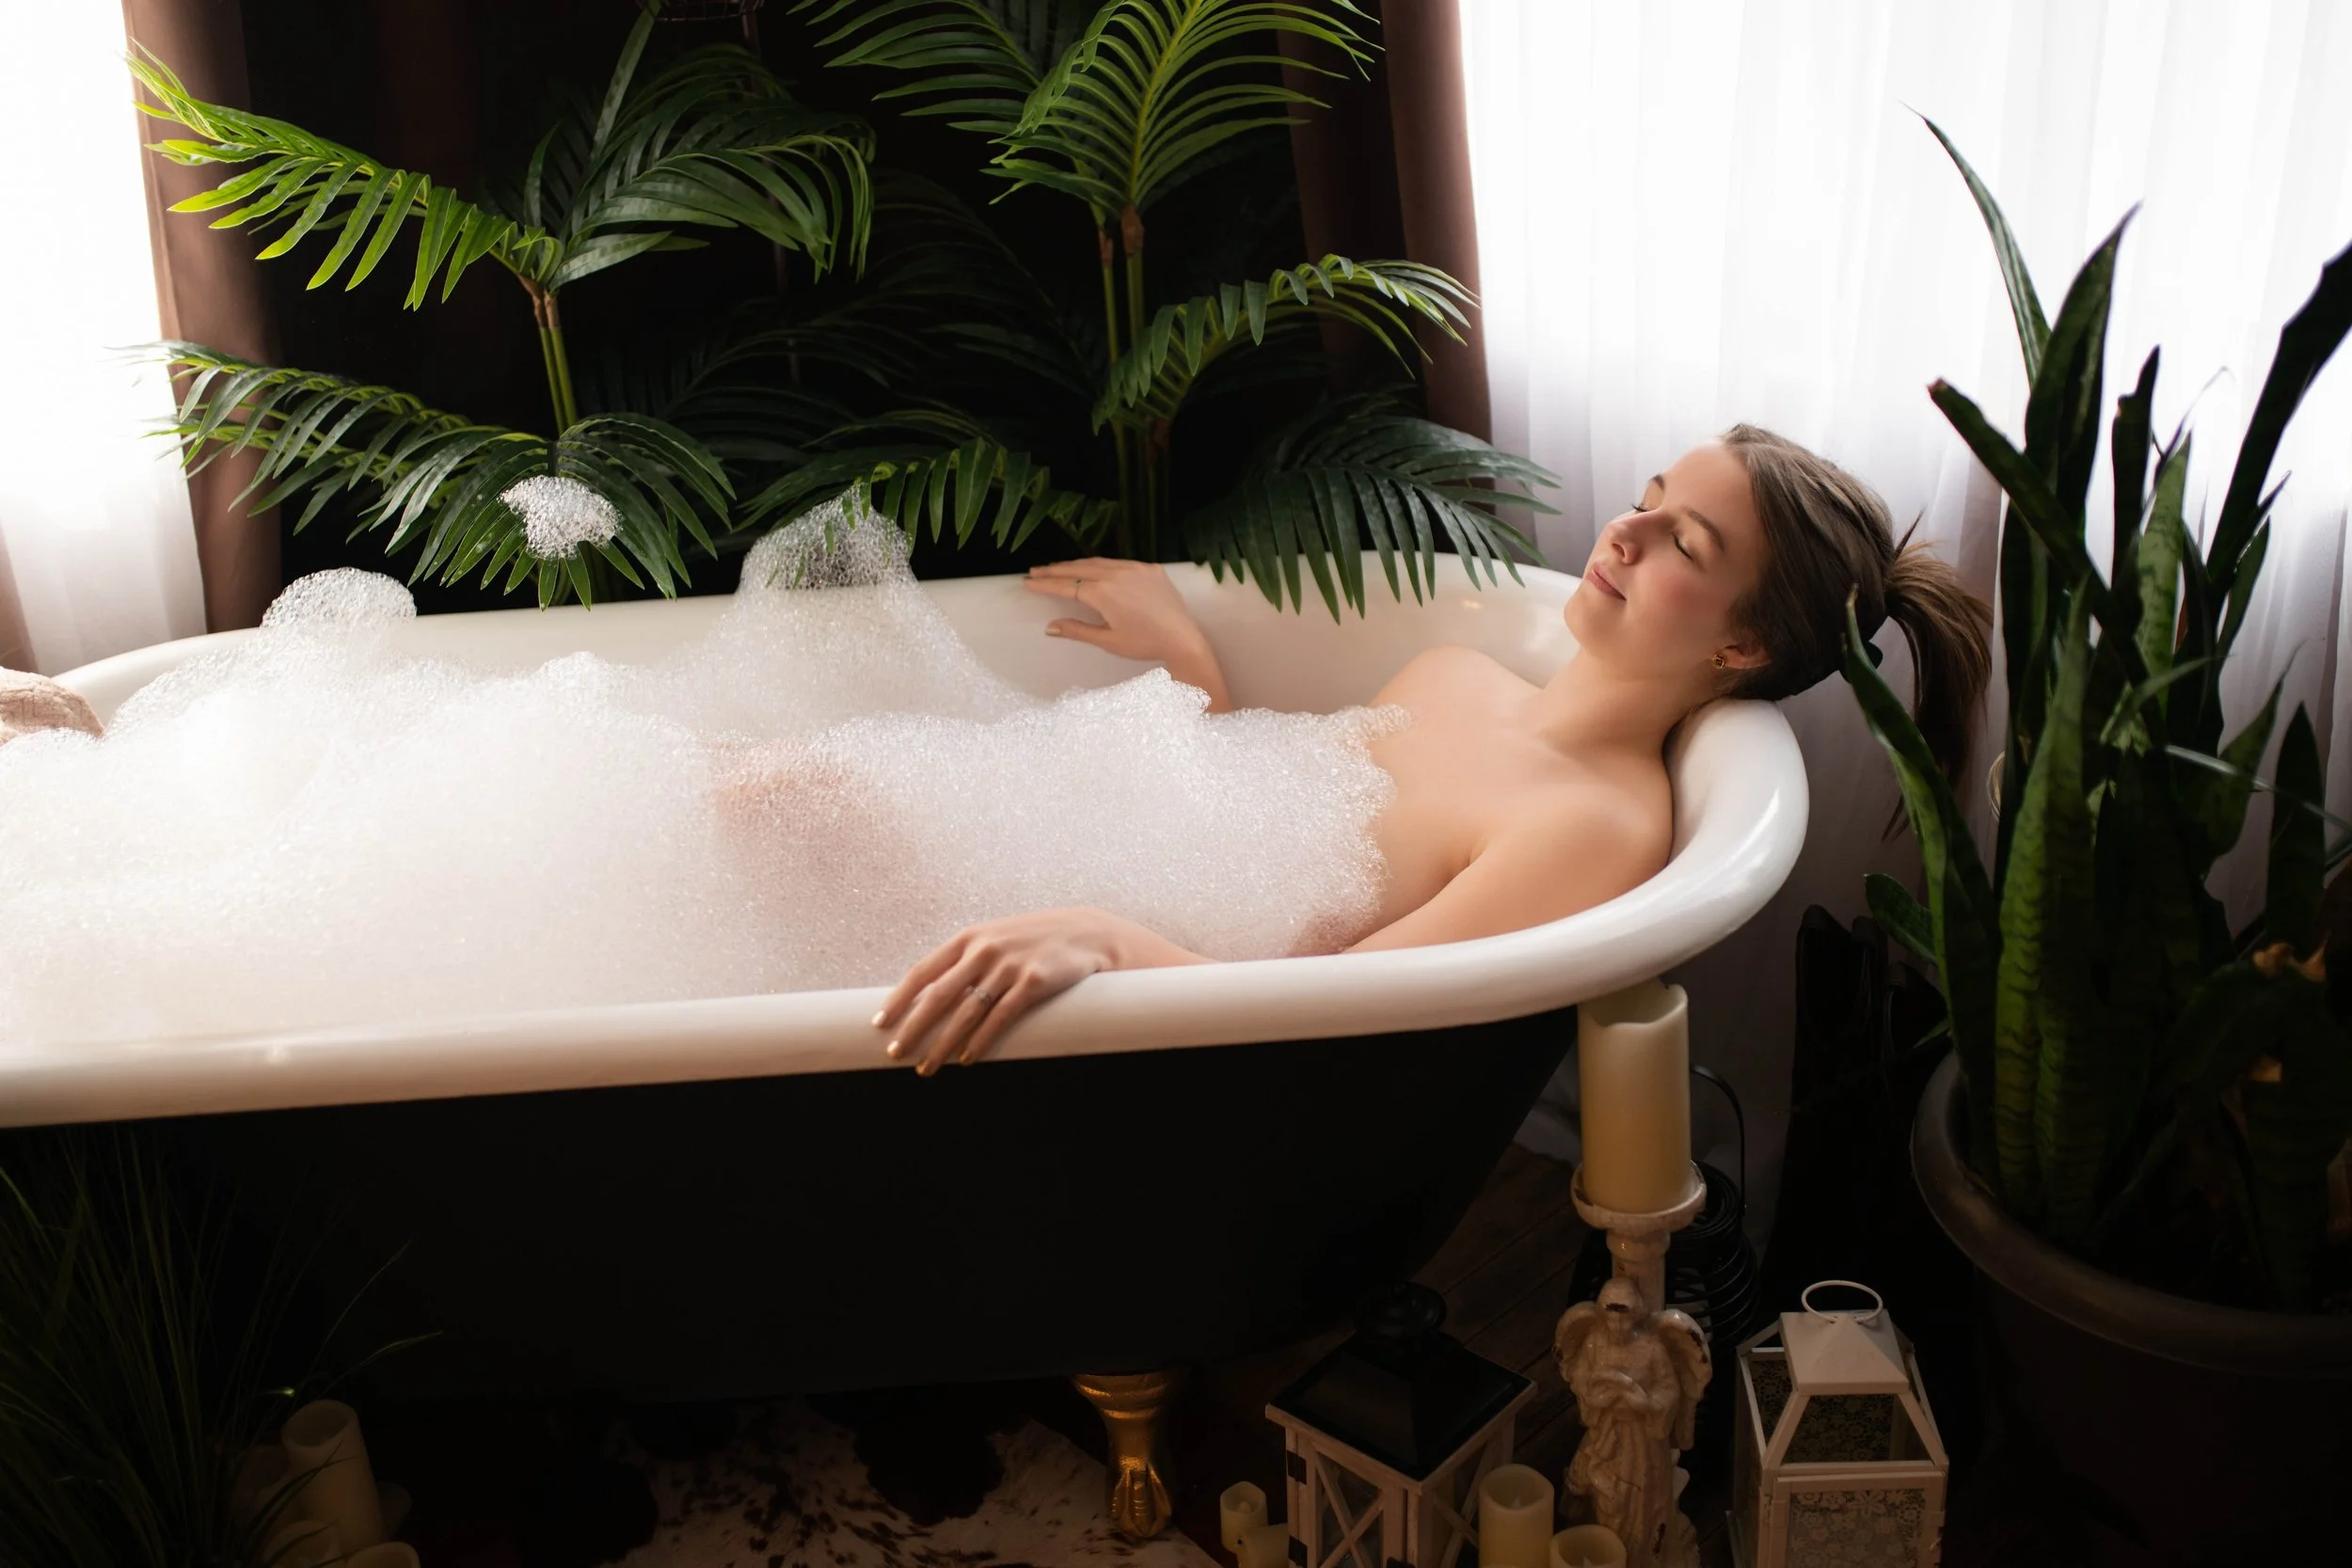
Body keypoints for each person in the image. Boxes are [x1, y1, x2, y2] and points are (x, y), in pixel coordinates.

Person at [872, 424, 1994, 1074]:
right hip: (1077, 881)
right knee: (789, 791)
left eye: (1680, 542)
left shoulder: (1595, 826)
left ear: (1742, 643)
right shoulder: (1457, 672)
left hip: (1158, 1026)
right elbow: (1251, 806)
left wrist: (1110, 940)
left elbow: (1343, 1019)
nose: (1624, 532)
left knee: (806, 807)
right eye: (1649, 500)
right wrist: (1190, 671)